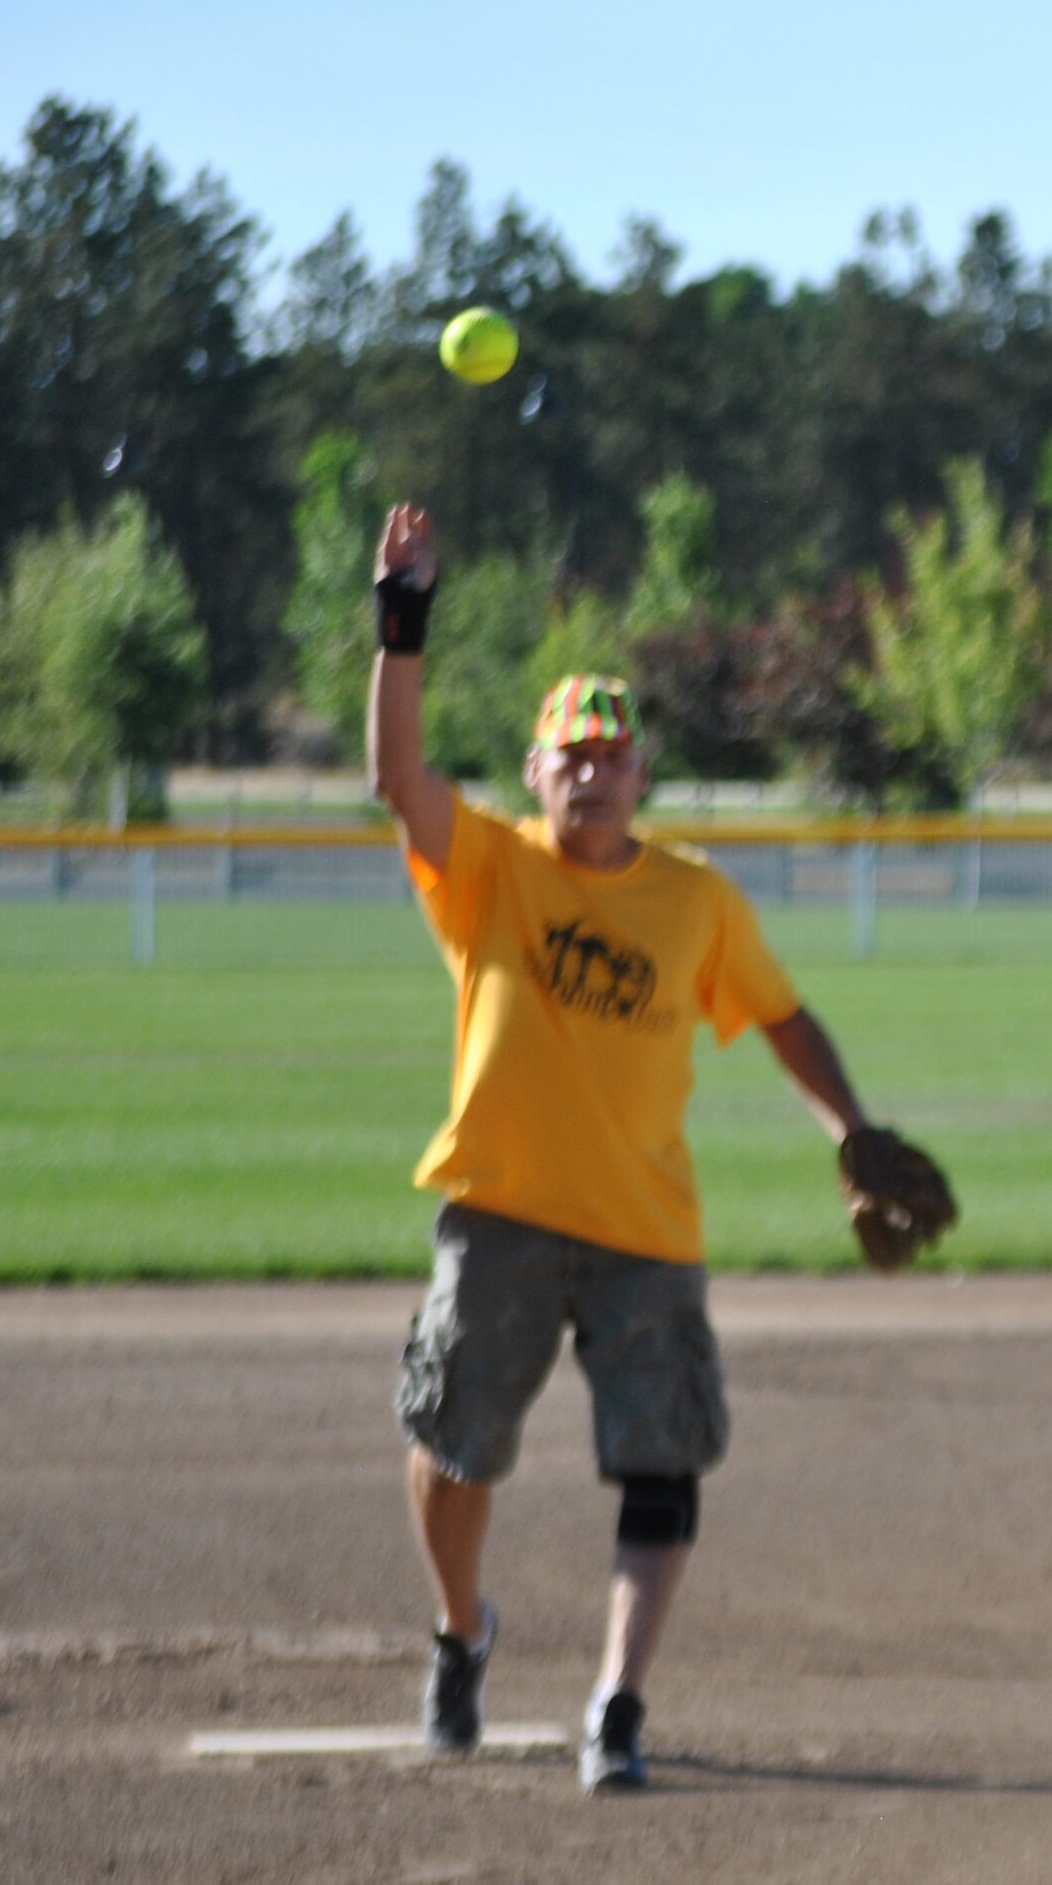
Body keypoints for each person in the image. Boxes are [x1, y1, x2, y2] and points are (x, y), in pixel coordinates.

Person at [365, 501, 904, 1795]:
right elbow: (395, 775)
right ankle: (461, 1632)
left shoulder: (695, 898)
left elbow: (780, 1014)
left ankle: (618, 1699)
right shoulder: (485, 867)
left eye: (612, 755)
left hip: (643, 1229)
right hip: (498, 1211)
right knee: (453, 1451)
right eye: (570, 756)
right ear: (538, 772)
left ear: (641, 772)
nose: (592, 773)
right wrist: (403, 619)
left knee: (662, 1462)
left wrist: (853, 1126)